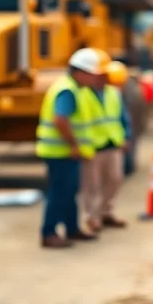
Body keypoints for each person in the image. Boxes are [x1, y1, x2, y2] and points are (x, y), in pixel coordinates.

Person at [36, 48, 102, 249]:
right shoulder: (67, 90)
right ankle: (49, 232)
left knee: (69, 191)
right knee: (59, 193)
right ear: (80, 72)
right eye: (91, 74)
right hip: (60, 152)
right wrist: (73, 144)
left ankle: (72, 228)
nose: (93, 78)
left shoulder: (74, 88)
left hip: (65, 152)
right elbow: (60, 120)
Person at [80, 57, 131, 232]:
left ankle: (105, 212)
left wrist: (126, 136)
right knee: (92, 185)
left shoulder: (113, 93)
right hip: (92, 146)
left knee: (115, 179)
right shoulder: (83, 94)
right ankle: (92, 217)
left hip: (112, 143)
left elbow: (123, 117)